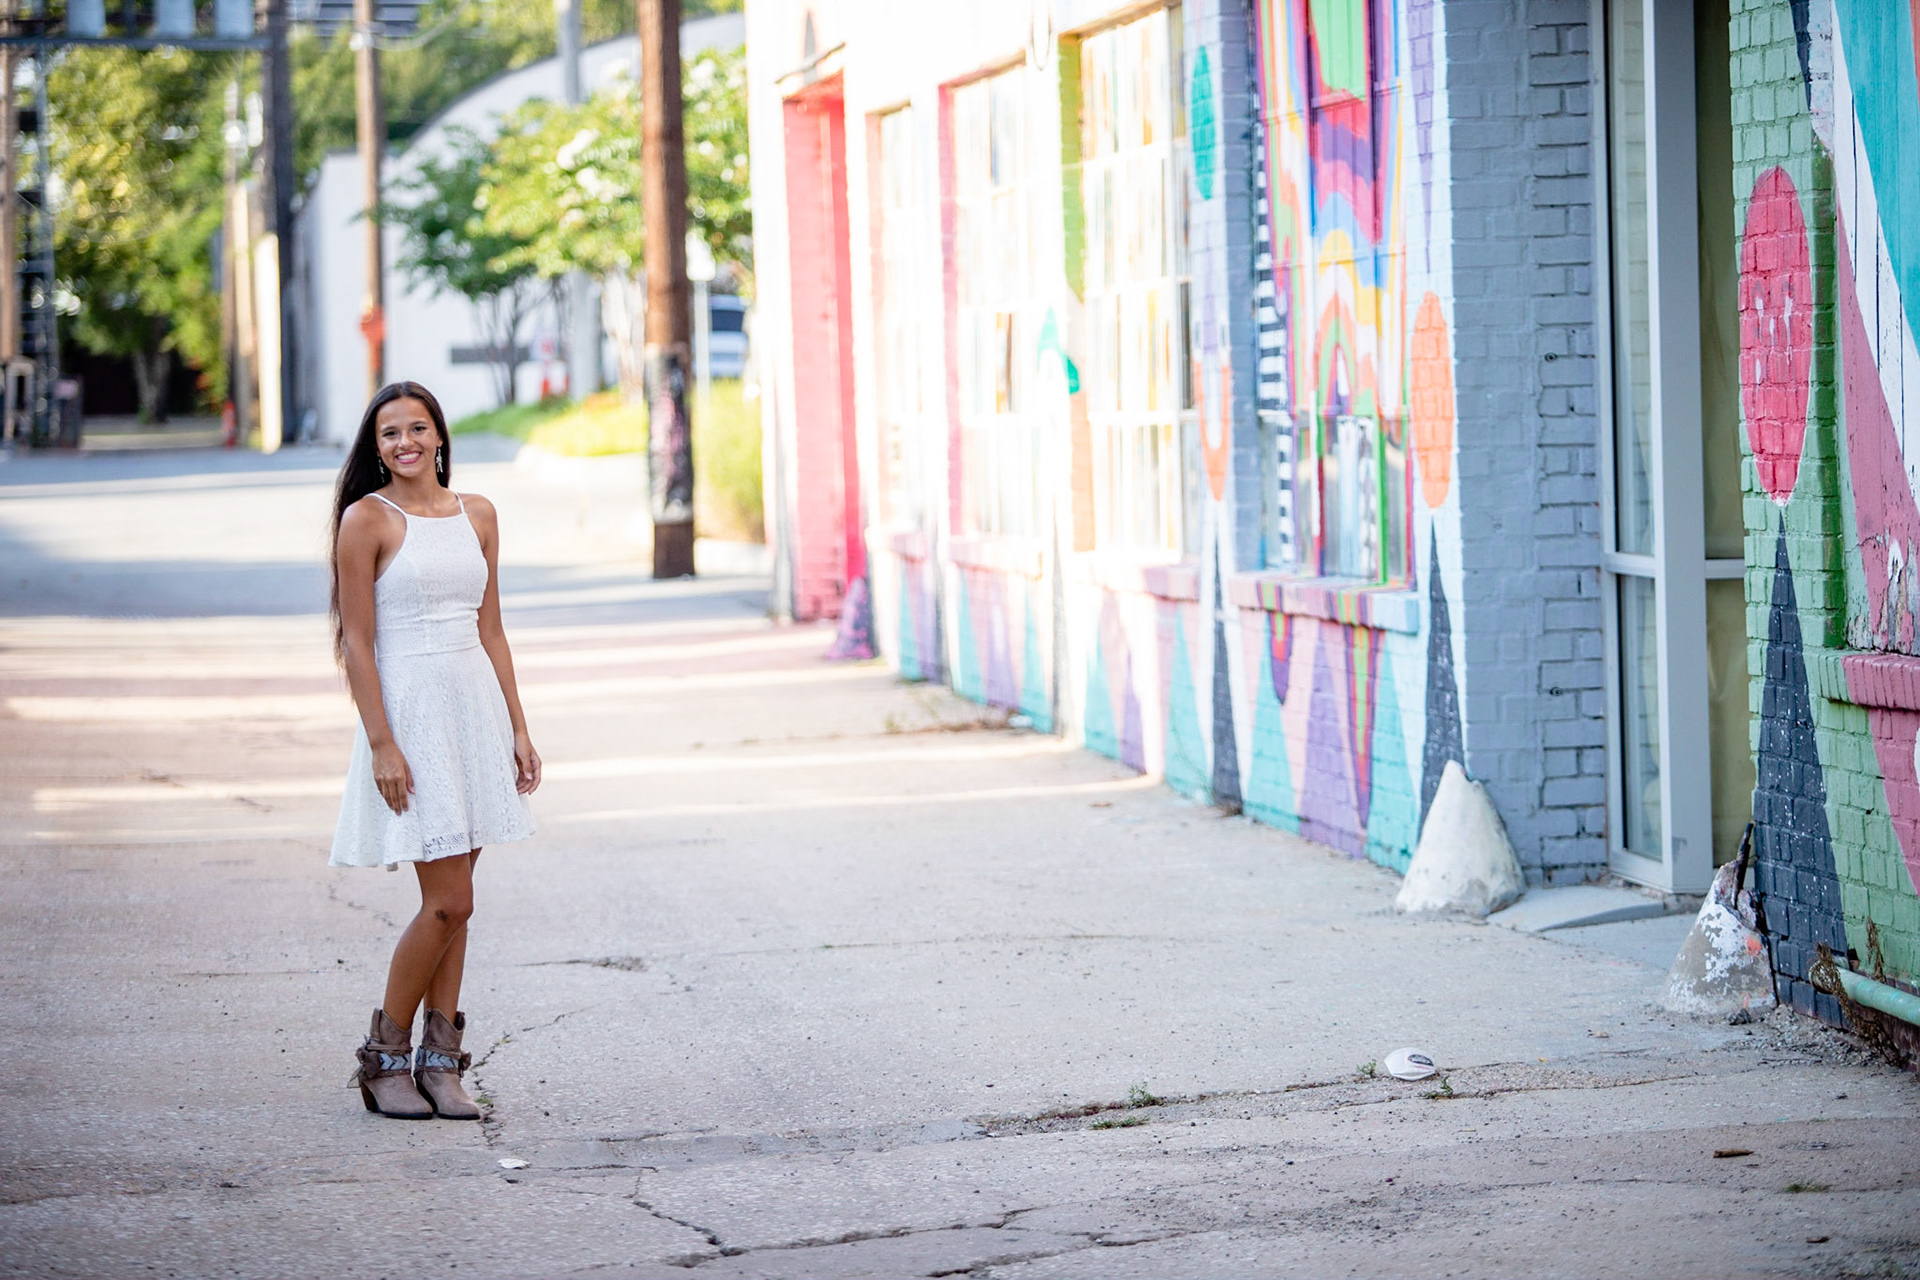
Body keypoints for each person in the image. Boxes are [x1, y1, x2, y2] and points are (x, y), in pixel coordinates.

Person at [327, 381, 540, 1119]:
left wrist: (518, 728)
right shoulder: (366, 519)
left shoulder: (477, 513)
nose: (406, 442)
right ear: (377, 447)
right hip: (413, 718)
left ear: (440, 436)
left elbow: (492, 630)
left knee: (458, 905)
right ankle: (384, 1059)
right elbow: (358, 642)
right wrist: (382, 742)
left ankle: (441, 1065)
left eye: (418, 428)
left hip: (473, 712)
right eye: (391, 433)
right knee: (449, 902)